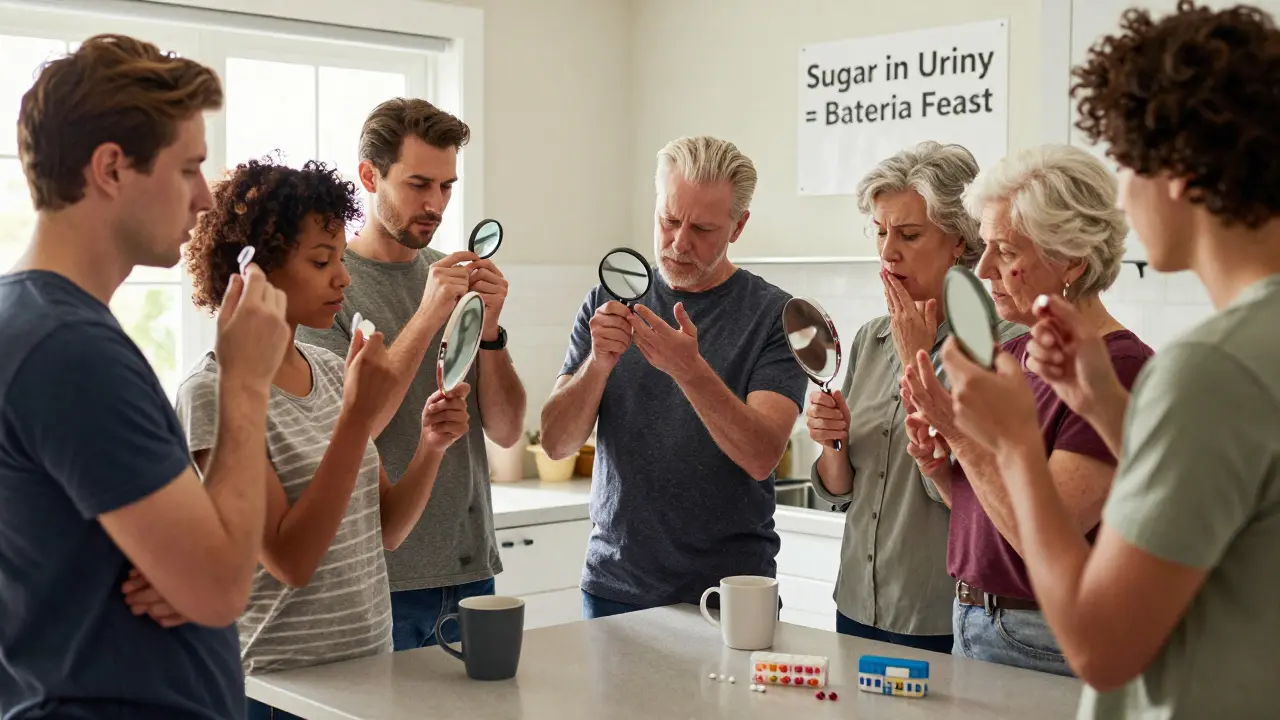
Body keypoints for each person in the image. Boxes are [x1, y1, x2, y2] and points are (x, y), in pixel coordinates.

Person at [940, 2, 1280, 716]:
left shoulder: (1212, 369)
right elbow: (1226, 514)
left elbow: (1098, 647)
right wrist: (1108, 410)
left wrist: (1012, 448)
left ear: (1179, 171)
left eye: (1127, 165)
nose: (1120, 199)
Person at [0, 35, 291, 719]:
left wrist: (186, 559)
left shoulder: (29, 321)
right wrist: (246, 382)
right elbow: (219, 586)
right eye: (188, 168)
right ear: (111, 169)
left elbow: (194, 561)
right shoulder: (68, 349)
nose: (203, 200)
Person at [120, 157, 471, 720]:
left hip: (366, 675)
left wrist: (431, 447)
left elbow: (384, 529)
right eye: (321, 260)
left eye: (338, 257)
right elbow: (290, 560)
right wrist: (356, 421)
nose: (343, 277)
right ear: (255, 271)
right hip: (278, 691)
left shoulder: (331, 371)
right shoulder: (214, 392)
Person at [901, 144, 1154, 675]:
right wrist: (943, 469)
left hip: (1040, 637)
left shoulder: (1119, 369)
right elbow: (990, 519)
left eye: (1007, 251)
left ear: (1072, 260)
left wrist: (963, 439)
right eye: (986, 246)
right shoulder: (1016, 353)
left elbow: (1043, 537)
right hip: (974, 617)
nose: (985, 267)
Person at [540, 136, 808, 618]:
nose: (680, 242)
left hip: (731, 596)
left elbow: (762, 455)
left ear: (738, 226)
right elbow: (557, 443)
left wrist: (689, 369)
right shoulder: (608, 298)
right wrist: (598, 363)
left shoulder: (775, 316)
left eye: (703, 228)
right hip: (613, 587)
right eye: (669, 219)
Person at [295, 98, 527, 651]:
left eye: (447, 186)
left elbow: (505, 429)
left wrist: (489, 329)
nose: (436, 204)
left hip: (472, 570)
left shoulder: (454, 276)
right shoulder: (329, 290)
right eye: (419, 184)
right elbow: (347, 433)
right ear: (370, 177)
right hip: (380, 578)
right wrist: (429, 313)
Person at [803, 141, 1023, 652]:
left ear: (960, 241)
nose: (887, 252)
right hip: (856, 604)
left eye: (908, 234)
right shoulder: (868, 338)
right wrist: (831, 442)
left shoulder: (1005, 348)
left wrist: (916, 360)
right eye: (880, 232)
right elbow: (842, 493)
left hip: (943, 619)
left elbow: (964, 492)